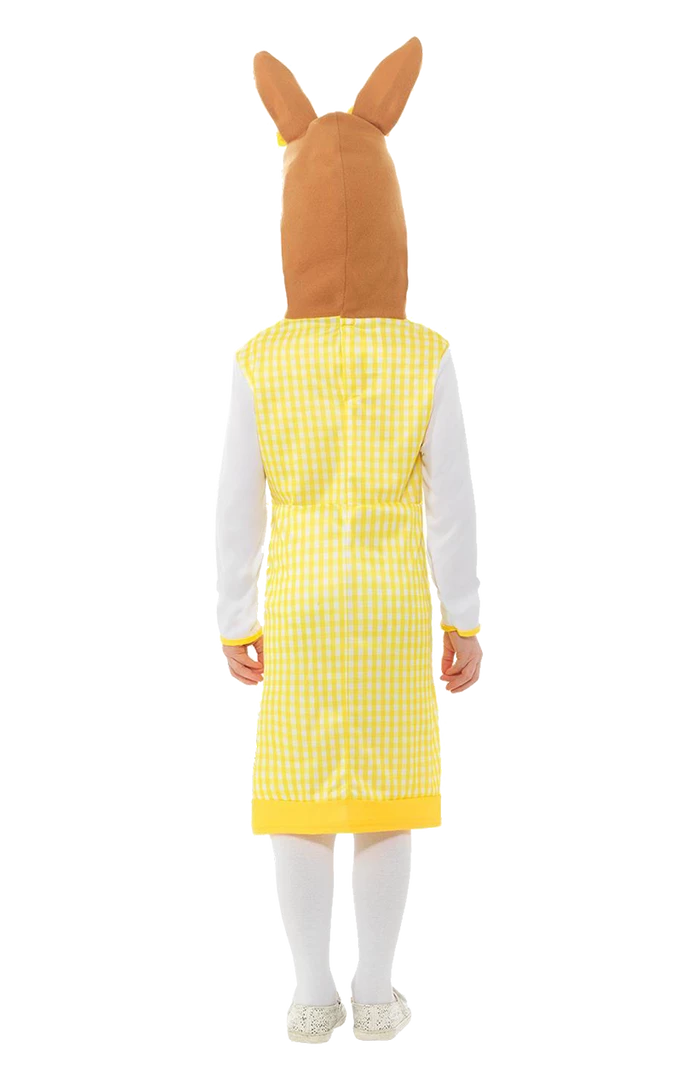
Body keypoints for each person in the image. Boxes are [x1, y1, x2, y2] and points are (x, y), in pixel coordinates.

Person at [215, 37, 483, 1044]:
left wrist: (237, 615)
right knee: (383, 798)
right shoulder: (426, 356)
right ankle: (376, 997)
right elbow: (452, 503)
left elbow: (236, 504)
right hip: (391, 601)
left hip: (298, 602)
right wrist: (464, 618)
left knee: (296, 800)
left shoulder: (258, 360)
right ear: (389, 223)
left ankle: (305, 997)